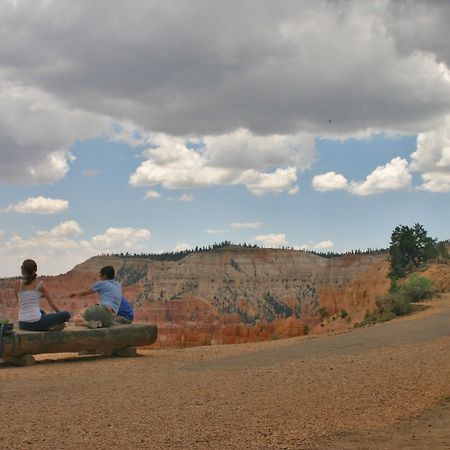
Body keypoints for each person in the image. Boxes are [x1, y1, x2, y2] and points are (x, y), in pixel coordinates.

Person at [15, 259, 71, 331]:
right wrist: (61, 316)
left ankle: (49, 326)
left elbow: (21, 299)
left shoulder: (16, 284)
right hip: (36, 322)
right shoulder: (40, 284)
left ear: (22, 270)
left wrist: (38, 296)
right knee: (66, 314)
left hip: (23, 323)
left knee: (41, 312)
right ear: (35, 270)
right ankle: (50, 326)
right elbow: (52, 304)